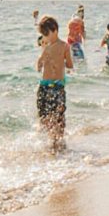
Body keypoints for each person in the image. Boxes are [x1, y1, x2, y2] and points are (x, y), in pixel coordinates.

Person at [35, 16, 73, 153]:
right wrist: (42, 57)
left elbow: (69, 64)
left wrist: (62, 59)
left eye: (47, 34)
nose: (45, 37)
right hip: (44, 85)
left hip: (57, 86)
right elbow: (39, 65)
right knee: (44, 117)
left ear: (55, 30)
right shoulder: (46, 46)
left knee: (58, 117)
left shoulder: (64, 46)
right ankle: (49, 142)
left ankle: (59, 142)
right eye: (43, 35)